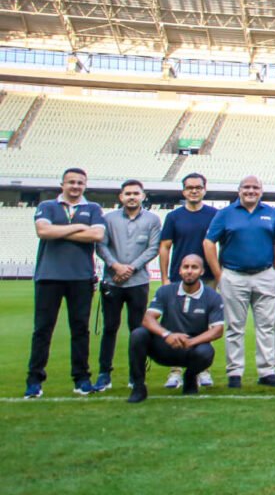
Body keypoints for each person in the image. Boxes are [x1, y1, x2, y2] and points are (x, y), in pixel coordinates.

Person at [24, 167, 107, 399]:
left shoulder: (93, 208)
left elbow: (97, 236)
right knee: (42, 329)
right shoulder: (48, 206)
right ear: (62, 184)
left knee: (80, 329)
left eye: (80, 183)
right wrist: (79, 227)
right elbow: (43, 231)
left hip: (81, 277)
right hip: (48, 276)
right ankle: (34, 379)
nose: (75, 186)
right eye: (71, 182)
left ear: (85, 185)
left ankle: (81, 378)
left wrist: (58, 231)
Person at [203, 174, 275, 388]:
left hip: (265, 275)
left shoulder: (270, 213)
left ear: (261, 190)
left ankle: (267, 371)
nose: (251, 191)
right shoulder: (226, 214)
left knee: (267, 326)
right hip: (234, 275)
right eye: (246, 187)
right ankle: (235, 373)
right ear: (239, 190)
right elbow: (209, 243)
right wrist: (219, 275)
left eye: (255, 188)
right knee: (235, 326)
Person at [127, 255, 224, 403]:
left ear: (202, 271)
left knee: (206, 352)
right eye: (186, 267)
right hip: (165, 345)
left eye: (194, 267)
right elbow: (148, 319)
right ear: (179, 270)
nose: (189, 271)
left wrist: (191, 342)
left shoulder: (212, 297)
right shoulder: (165, 291)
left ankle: (190, 378)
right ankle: (138, 387)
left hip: (191, 349)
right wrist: (167, 335)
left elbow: (217, 330)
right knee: (138, 334)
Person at [95, 179, 162, 392]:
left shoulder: (152, 220)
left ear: (143, 196)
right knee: (109, 328)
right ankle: (104, 373)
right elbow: (101, 245)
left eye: (136, 193)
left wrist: (130, 268)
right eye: (128, 193)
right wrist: (115, 266)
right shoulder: (108, 219)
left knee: (138, 330)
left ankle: (137, 375)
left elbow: (153, 248)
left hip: (138, 282)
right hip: (112, 282)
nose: (132, 197)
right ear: (120, 197)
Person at [158, 172, 219, 388]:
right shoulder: (174, 217)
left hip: (208, 279)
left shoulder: (214, 214)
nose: (194, 190)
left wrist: (219, 274)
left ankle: (202, 369)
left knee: (204, 324)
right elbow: (165, 247)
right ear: (183, 191)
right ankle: (175, 370)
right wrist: (165, 278)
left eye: (198, 187)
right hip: (178, 279)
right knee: (176, 323)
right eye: (190, 187)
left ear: (204, 189)